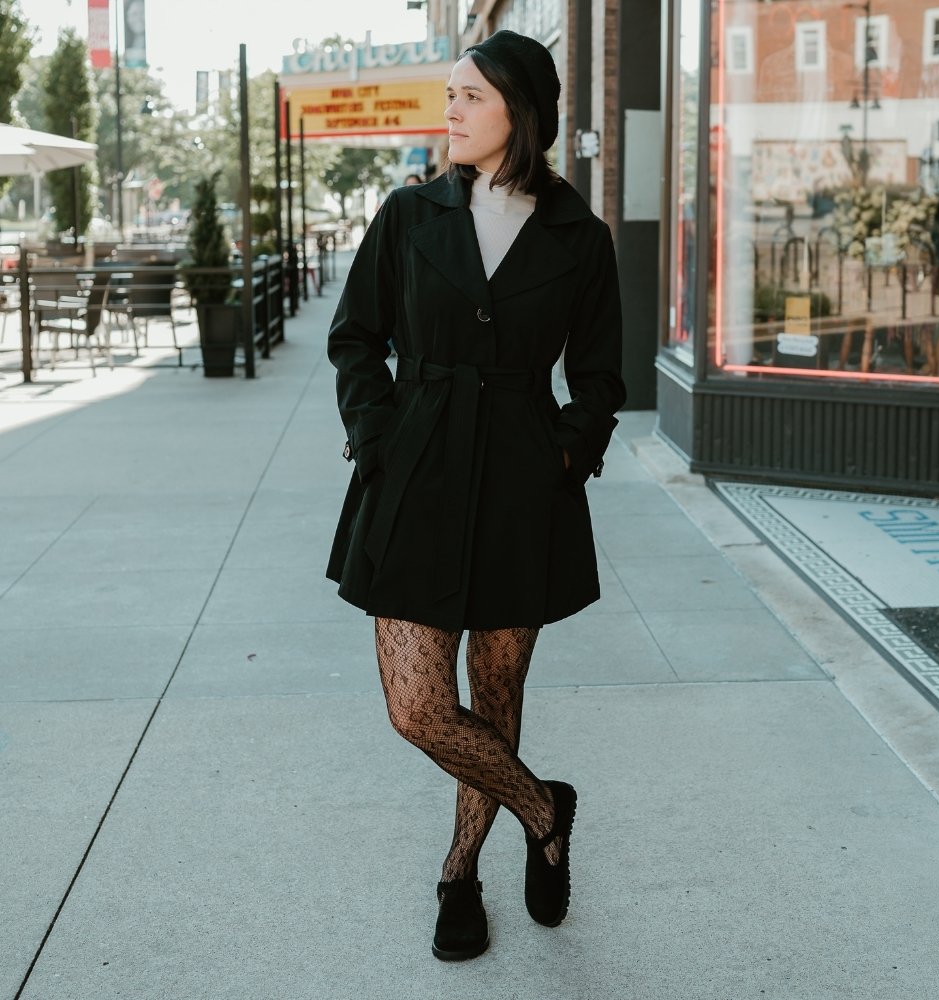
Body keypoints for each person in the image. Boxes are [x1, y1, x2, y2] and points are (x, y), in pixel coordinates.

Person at [326, 29, 626, 961]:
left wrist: (566, 456)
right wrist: (378, 437)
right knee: (418, 708)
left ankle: (460, 873)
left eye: (470, 97)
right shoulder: (410, 215)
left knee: (496, 698)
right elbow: (354, 336)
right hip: (414, 475)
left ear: (519, 114)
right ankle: (545, 809)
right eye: (449, 93)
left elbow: (603, 378)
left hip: (520, 490)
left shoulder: (580, 236)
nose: (448, 109)